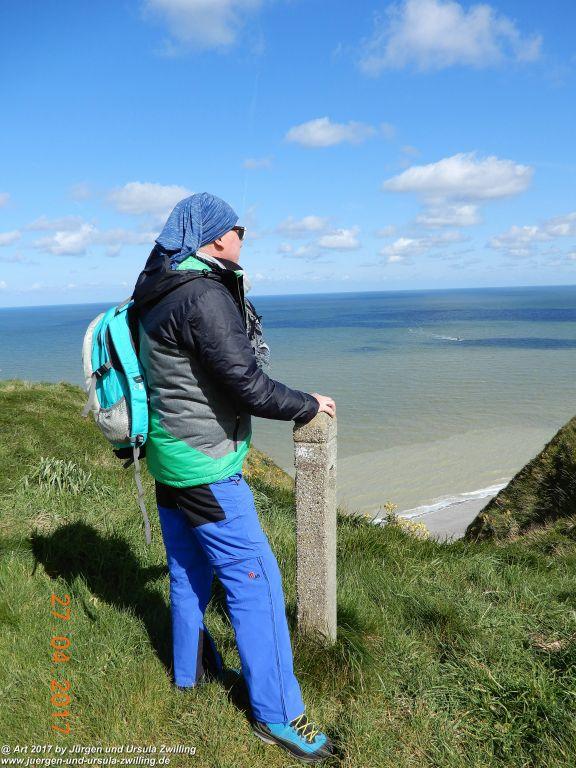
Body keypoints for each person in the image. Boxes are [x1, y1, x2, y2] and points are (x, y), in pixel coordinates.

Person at [131, 192, 336, 763]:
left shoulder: (157, 288)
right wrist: (307, 405)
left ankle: (188, 677)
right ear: (217, 238)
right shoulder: (202, 295)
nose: (244, 238)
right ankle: (277, 715)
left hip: (168, 457)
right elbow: (246, 383)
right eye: (239, 229)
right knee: (258, 586)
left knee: (188, 570)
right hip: (205, 466)